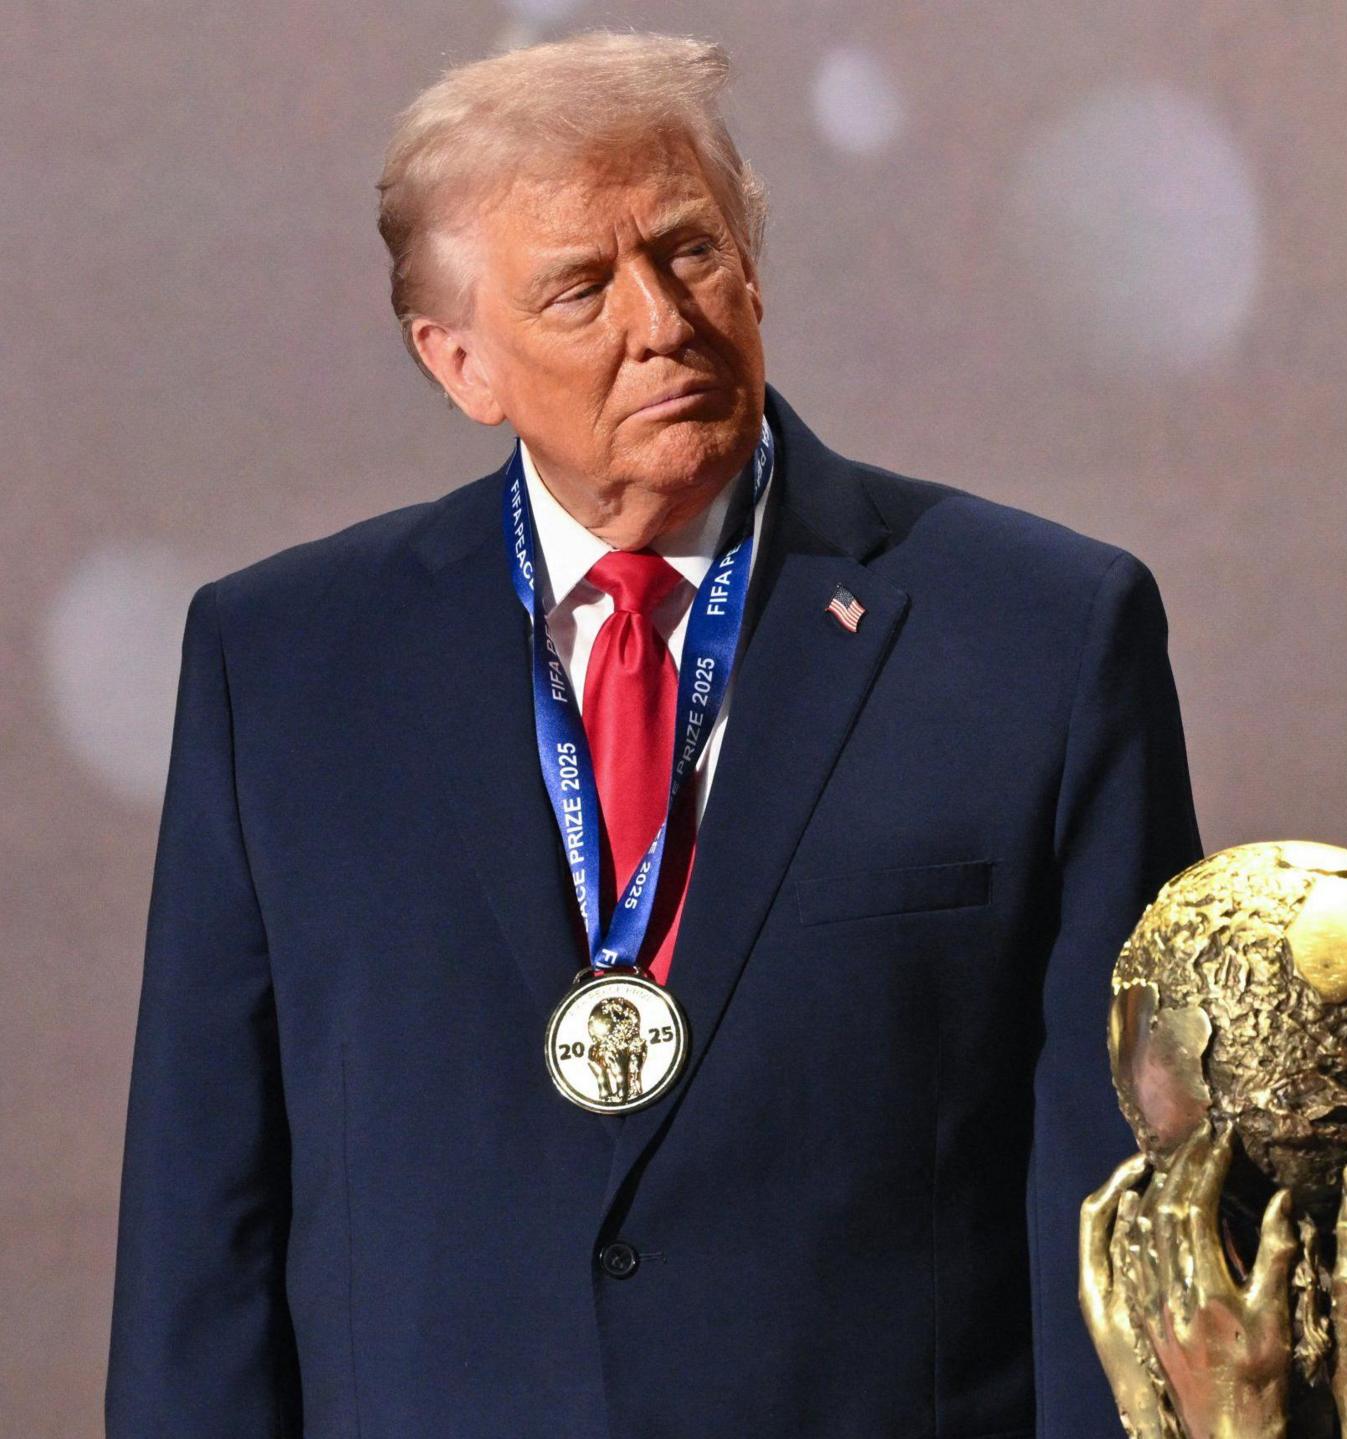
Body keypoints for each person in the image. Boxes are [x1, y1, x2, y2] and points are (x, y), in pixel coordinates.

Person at [105, 32, 1198, 1438]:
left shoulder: (1039, 635)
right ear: (460, 362)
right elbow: (202, 1226)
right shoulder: (284, 667)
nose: (662, 321)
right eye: (581, 289)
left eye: (690, 253)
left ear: (755, 272)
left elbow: (1124, 1208)